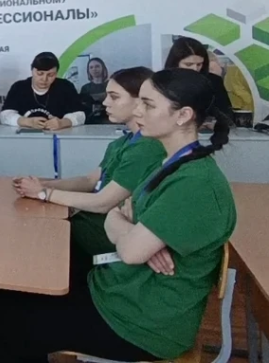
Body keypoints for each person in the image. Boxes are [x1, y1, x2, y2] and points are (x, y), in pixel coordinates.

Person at [0, 69, 236, 362]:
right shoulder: (169, 164)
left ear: (183, 115)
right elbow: (118, 215)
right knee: (5, 297)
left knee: (5, 320)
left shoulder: (195, 182)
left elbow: (129, 245)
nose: (138, 111)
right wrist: (128, 227)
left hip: (142, 323)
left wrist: (128, 230)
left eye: (148, 104)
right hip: (117, 291)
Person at [14, 67, 165, 275]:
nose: (105, 103)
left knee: (36, 238)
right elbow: (90, 180)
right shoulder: (123, 142)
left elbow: (103, 202)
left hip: (105, 231)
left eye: (114, 97)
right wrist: (43, 184)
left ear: (141, 102)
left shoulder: (146, 148)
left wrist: (44, 193)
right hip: (95, 221)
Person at [0, 52, 85, 130]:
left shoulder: (65, 86)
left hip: (58, 136)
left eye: (50, 75)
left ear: (56, 73)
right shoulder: (19, 87)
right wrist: (27, 122)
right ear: (32, 70)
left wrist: (62, 123)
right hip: (25, 137)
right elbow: (5, 115)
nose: (44, 79)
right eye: (40, 74)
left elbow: (80, 115)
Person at [164, 36, 233, 119]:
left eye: (199, 64)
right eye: (188, 64)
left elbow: (226, 114)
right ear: (175, 63)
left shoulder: (214, 81)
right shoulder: (162, 82)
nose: (195, 69)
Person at [79, 57, 110, 124]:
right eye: (91, 67)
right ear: (88, 70)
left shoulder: (111, 85)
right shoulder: (85, 88)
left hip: (109, 120)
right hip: (91, 122)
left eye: (97, 66)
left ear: (103, 68)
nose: (94, 69)